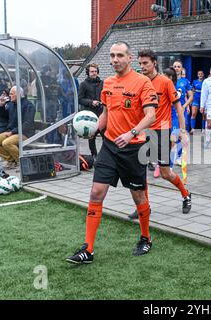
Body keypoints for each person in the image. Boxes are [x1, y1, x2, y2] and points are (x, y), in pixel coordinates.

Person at [66, 42, 158, 264]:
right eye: (112, 55)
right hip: (109, 146)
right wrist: (94, 129)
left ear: (129, 58)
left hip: (133, 148)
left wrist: (131, 133)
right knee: (96, 193)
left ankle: (146, 237)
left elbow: (151, 116)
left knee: (138, 196)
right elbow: (106, 114)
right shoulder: (108, 82)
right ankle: (88, 249)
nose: (114, 59)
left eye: (119, 55)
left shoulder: (143, 82)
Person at [127, 49, 191, 221]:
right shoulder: (138, 82)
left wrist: (182, 131)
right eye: (140, 63)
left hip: (162, 130)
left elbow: (178, 107)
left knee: (165, 173)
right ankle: (144, 207)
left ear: (154, 63)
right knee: (140, 172)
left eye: (145, 63)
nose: (142, 67)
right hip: (143, 131)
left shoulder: (165, 82)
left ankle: (186, 195)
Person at [0, 86, 35, 170]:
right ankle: (11, 160)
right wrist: (1, 106)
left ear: (18, 94)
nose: (9, 96)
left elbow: (27, 124)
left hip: (25, 134)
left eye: (11, 94)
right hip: (12, 132)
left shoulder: (28, 105)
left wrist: (12, 132)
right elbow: (3, 116)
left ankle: (22, 162)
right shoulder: (11, 104)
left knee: (6, 143)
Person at [78, 63, 104, 157]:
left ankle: (104, 156)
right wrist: (91, 102)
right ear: (88, 73)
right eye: (92, 71)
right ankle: (94, 156)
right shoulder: (83, 84)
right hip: (90, 114)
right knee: (91, 137)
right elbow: (79, 99)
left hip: (101, 114)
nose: (94, 73)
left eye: (96, 71)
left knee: (105, 136)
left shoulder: (102, 83)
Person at [190, 70, 204, 134]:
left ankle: (203, 129)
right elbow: (192, 91)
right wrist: (191, 100)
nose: (200, 75)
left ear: (203, 74)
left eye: (201, 74)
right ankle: (193, 129)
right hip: (195, 99)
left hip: (203, 100)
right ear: (197, 75)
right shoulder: (195, 81)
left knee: (204, 115)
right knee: (193, 114)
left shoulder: (205, 81)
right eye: (199, 74)